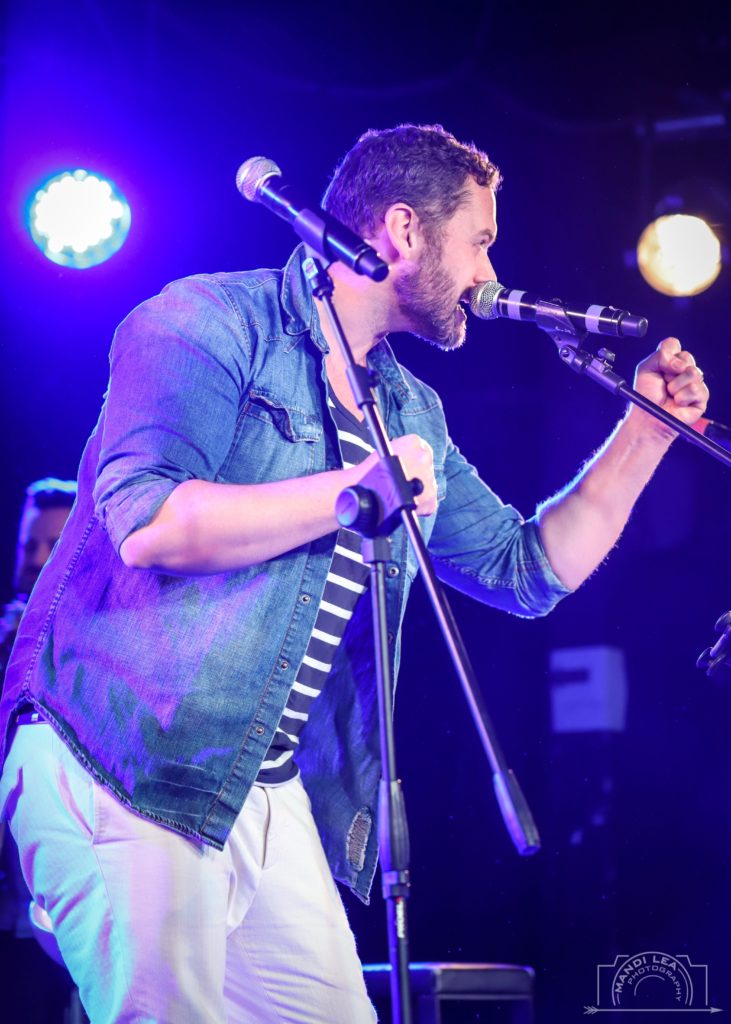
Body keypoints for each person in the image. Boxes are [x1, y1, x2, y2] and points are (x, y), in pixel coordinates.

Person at [0, 125, 708, 1024]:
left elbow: (525, 570)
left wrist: (644, 431)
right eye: (479, 240)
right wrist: (352, 492)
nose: (489, 269)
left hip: (259, 785)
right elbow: (149, 524)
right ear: (404, 230)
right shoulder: (207, 319)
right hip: (124, 761)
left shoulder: (407, 408)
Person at [0, 478, 76, 1021]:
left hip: (59, 895)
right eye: (28, 545)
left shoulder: (94, 652)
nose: (35, 560)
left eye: (53, 545)